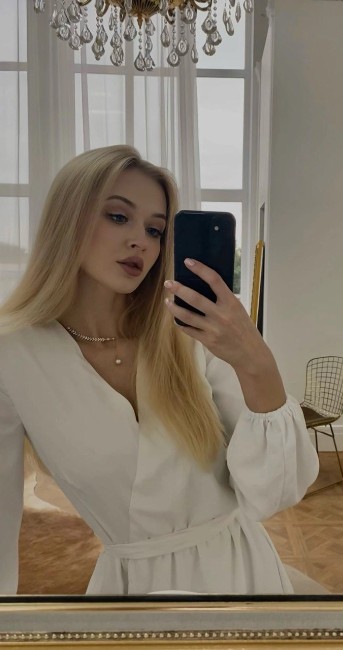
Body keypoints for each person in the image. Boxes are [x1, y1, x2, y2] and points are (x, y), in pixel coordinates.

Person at [0, 145, 319, 596]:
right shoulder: (13, 355)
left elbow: (276, 492)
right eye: (118, 217)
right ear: (66, 220)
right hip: (131, 595)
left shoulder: (186, 335)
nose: (142, 242)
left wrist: (255, 361)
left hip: (242, 577)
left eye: (156, 229)